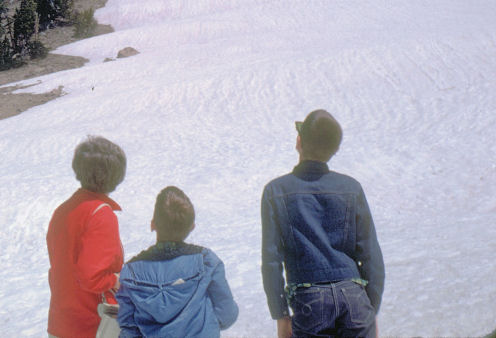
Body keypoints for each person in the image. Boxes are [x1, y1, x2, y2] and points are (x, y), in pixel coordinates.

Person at [261, 109, 385, 338]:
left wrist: (281, 315)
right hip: (355, 297)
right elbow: (371, 255)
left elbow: (271, 260)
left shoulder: (276, 191)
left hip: (309, 300)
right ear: (334, 150)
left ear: (299, 141)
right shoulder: (351, 188)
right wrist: (370, 309)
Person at [116, 186, 238, 337]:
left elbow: (128, 326)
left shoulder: (131, 272)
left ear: (153, 224)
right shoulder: (206, 261)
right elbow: (227, 314)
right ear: (191, 227)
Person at [47, 136, 127, 338]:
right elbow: (92, 277)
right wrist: (117, 280)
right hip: (91, 325)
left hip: (61, 321)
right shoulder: (101, 214)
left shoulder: (63, 210)